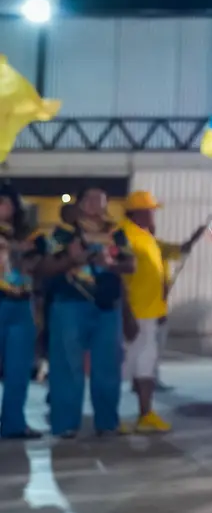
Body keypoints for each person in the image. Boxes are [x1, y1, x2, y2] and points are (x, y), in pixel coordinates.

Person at [40, 186, 133, 438]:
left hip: (106, 307)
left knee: (107, 367)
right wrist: (71, 260)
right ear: (79, 204)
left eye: (100, 199)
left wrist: (111, 264)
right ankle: (65, 424)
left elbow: (131, 264)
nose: (94, 204)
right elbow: (45, 267)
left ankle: (107, 422)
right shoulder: (63, 233)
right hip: (69, 305)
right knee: (67, 366)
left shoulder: (116, 232)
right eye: (89, 199)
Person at [118, 190, 177, 433]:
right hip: (133, 314)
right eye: (150, 210)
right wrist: (126, 315)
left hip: (150, 314)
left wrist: (161, 309)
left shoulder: (146, 236)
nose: (153, 214)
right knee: (122, 368)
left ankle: (146, 415)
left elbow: (157, 275)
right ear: (138, 212)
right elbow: (119, 277)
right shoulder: (123, 235)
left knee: (146, 367)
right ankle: (112, 417)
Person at [0, 184, 41, 439]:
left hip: (22, 303)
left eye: (5, 202)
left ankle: (14, 423)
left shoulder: (28, 234)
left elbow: (38, 263)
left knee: (19, 369)